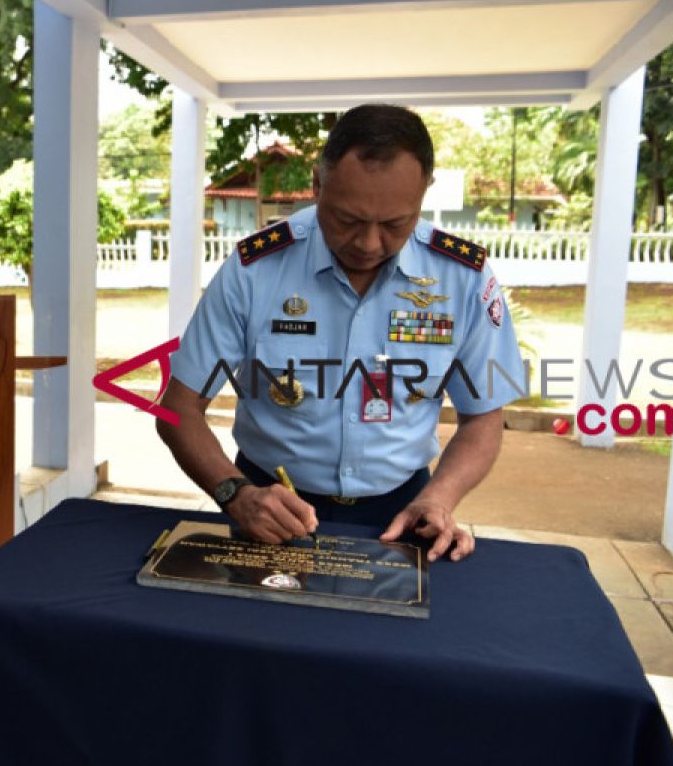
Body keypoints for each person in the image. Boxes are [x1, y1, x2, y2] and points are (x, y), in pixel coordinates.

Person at [157, 104, 526, 564]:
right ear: (316, 185)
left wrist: (441, 498)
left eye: (394, 224)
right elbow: (178, 410)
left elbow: (483, 418)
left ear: (424, 193)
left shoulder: (462, 278)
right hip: (269, 510)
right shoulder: (257, 270)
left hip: (402, 516)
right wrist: (235, 492)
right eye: (348, 220)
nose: (369, 244)